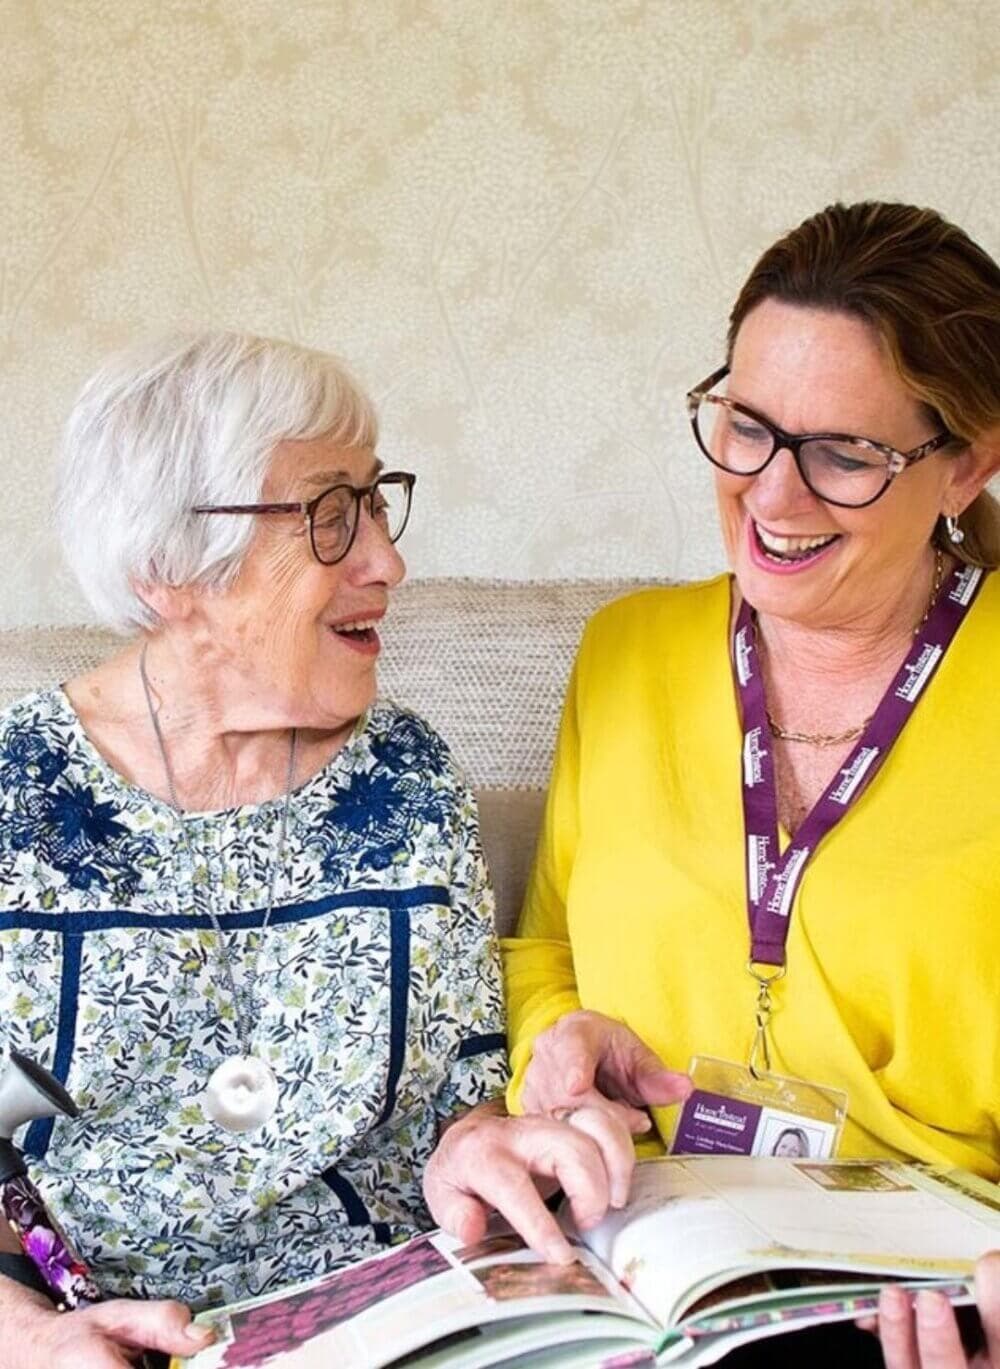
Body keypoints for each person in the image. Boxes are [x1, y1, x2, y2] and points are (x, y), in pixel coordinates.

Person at [0, 331, 627, 1368]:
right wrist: (28, 1337)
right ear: (169, 567)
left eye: (376, 502)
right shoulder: (18, 795)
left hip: (404, 1323)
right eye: (330, 514)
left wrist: (484, 1149)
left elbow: (454, 1103)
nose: (387, 559)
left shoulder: (406, 778)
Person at [502, 202, 1000, 1367]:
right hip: (640, 1262)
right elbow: (545, 950)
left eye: (844, 453)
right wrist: (554, 1046)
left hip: (921, 1297)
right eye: (745, 427)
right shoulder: (627, 649)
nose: (771, 497)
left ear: (967, 462)